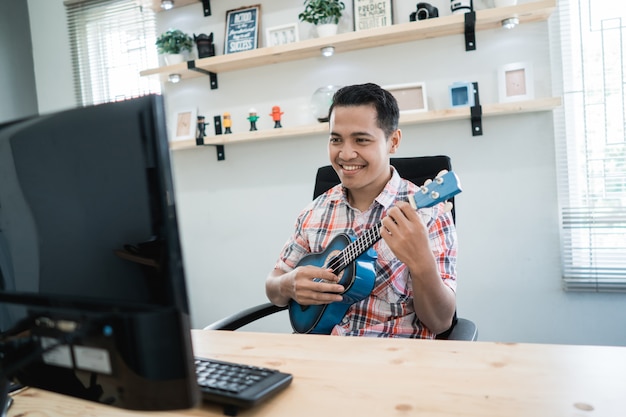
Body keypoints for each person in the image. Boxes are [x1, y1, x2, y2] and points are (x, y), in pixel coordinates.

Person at [265, 83, 457, 338]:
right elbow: (274, 283)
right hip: (316, 355)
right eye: (336, 139)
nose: (345, 153)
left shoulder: (429, 214)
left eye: (361, 140)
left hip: (393, 363)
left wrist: (421, 262)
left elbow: (441, 322)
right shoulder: (314, 212)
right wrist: (288, 285)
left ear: (393, 142)